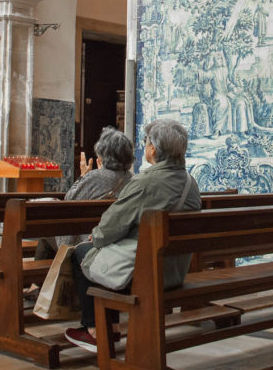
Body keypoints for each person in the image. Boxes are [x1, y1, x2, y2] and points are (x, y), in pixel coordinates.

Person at [65, 119, 201, 353]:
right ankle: (111, 326)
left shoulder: (146, 182)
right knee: (102, 252)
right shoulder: (191, 183)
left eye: (147, 142)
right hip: (174, 271)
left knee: (81, 253)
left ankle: (94, 330)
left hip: (144, 273)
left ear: (153, 150)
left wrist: (94, 238)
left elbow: (111, 224)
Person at [33, 127, 134, 262]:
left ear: (103, 153)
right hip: (116, 239)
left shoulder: (95, 177)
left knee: (46, 234)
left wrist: (83, 176)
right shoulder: (132, 178)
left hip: (87, 241)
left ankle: (42, 281)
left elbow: (69, 199)